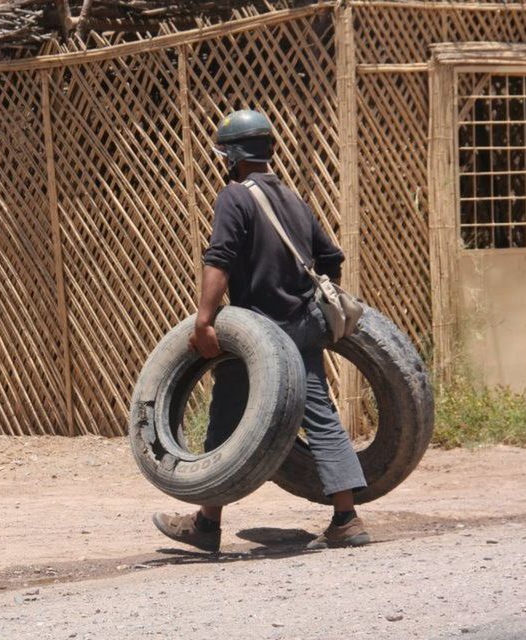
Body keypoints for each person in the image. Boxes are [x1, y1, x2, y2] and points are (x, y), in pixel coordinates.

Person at [151, 109, 370, 553]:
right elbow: (331, 257)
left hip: (257, 334)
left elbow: (220, 259)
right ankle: (346, 518)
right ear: (269, 149)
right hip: (300, 326)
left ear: (231, 155)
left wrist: (205, 319)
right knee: (321, 417)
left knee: (226, 416)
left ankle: (207, 525)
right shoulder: (292, 199)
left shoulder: (235, 196)